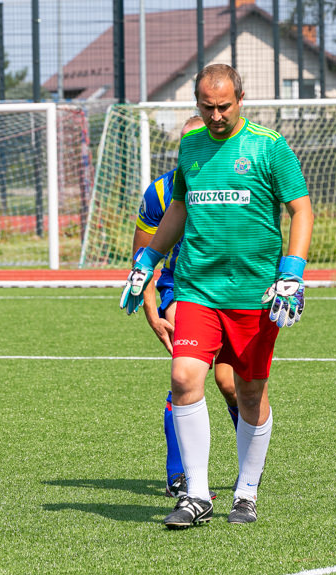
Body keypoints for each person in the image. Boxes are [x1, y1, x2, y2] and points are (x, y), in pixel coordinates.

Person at [121, 63, 313, 529]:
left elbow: (301, 209)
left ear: (241, 99)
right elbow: (181, 207)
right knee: (185, 376)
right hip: (197, 290)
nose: (216, 116)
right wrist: (148, 260)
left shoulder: (270, 147)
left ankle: (245, 493)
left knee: (248, 391)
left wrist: (292, 271)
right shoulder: (190, 145)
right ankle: (198, 494)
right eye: (207, 107)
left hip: (254, 293)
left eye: (224, 106)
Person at [129, 116, 239, 500]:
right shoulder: (160, 193)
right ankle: (178, 476)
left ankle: (249, 469)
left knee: (229, 383)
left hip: (231, 286)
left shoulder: (235, 183)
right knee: (185, 376)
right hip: (183, 288)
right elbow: (143, 255)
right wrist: (151, 311)